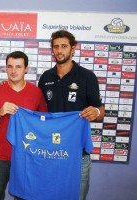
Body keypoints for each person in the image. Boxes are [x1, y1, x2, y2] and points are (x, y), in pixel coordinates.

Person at [38, 30, 105, 200]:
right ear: (52, 50)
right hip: (51, 153)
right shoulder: (46, 78)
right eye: (56, 47)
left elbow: (100, 111)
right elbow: (38, 110)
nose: (59, 50)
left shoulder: (87, 77)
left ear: (73, 48)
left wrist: (95, 112)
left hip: (77, 155)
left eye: (64, 46)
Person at [0, 51, 48, 200]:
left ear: (26, 69)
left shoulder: (36, 92)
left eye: (18, 67)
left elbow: (44, 122)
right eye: (10, 66)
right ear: (5, 68)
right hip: (0, 155)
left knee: (22, 196)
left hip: (27, 154)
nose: (13, 71)